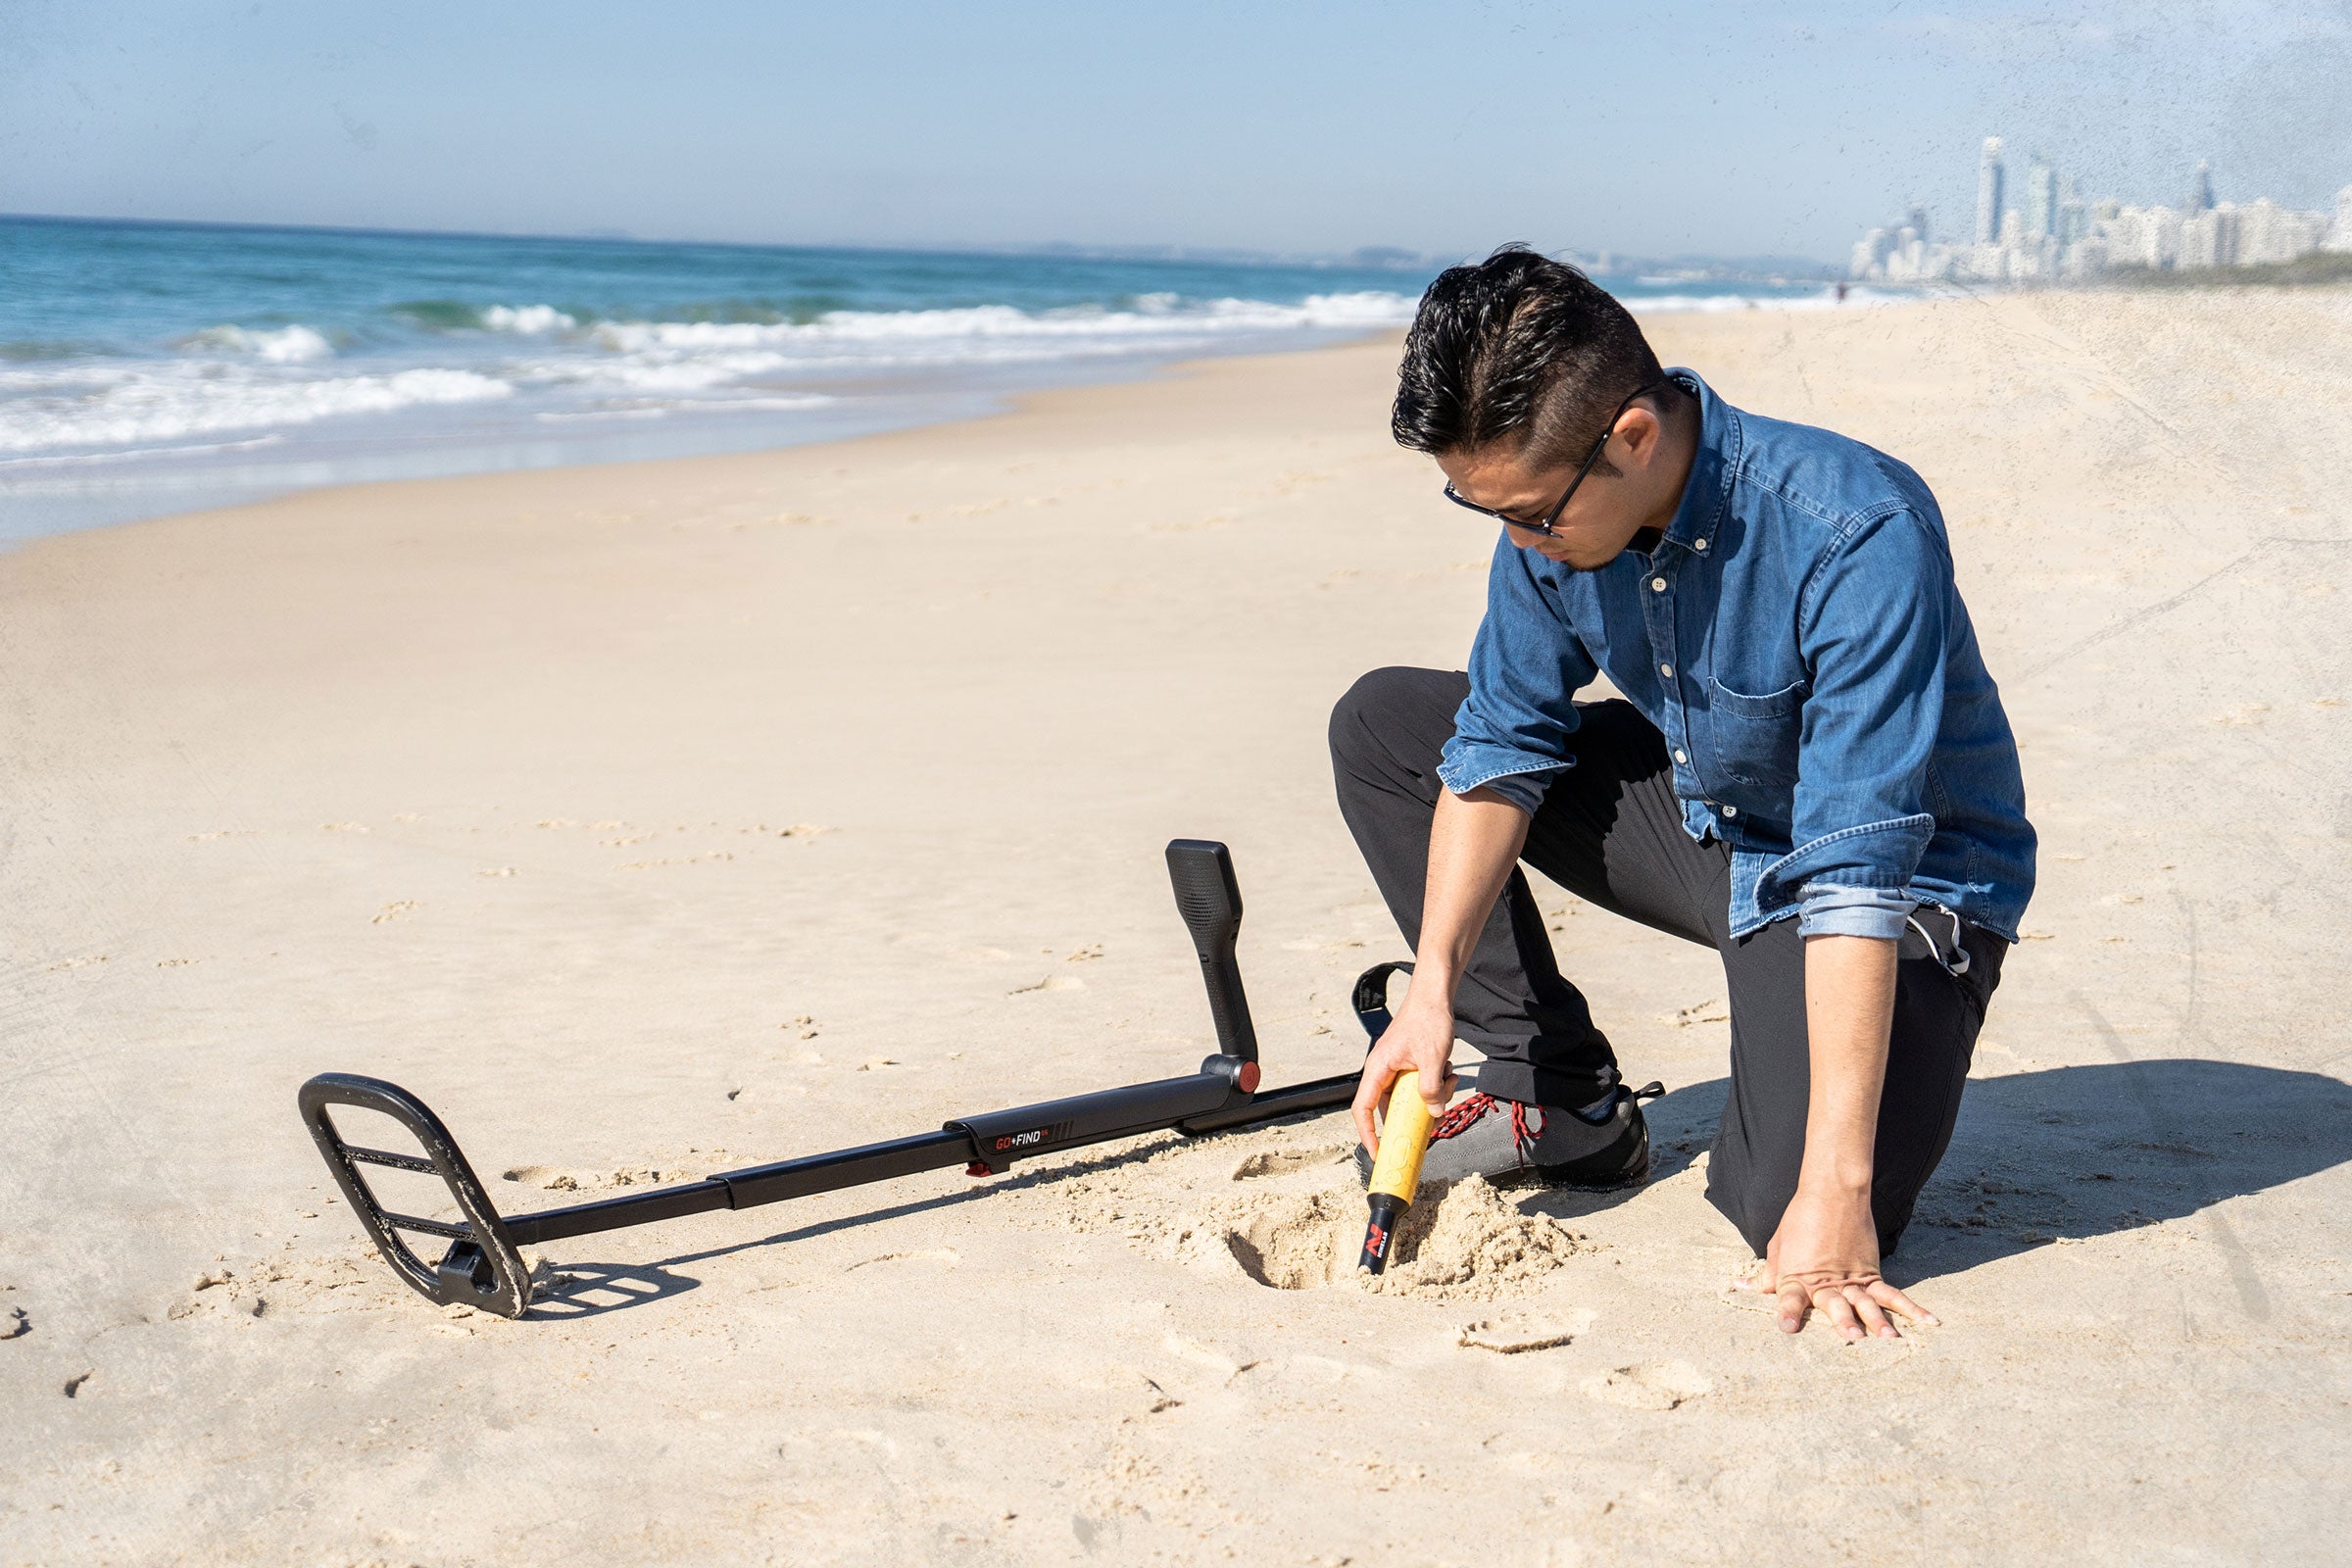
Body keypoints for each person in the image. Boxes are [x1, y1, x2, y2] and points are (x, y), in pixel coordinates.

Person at [1331, 246, 2034, 1341]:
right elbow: (1501, 741)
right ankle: (1552, 1091)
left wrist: (1837, 1192)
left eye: (1531, 513)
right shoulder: (1552, 519)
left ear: (1633, 439)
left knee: (1787, 1217)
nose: (1519, 543)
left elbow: (1857, 865)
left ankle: (1843, 1129)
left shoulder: (1855, 530)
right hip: (1717, 815)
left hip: (1899, 883)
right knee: (1388, 726)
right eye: (1487, 513)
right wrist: (1430, 995)